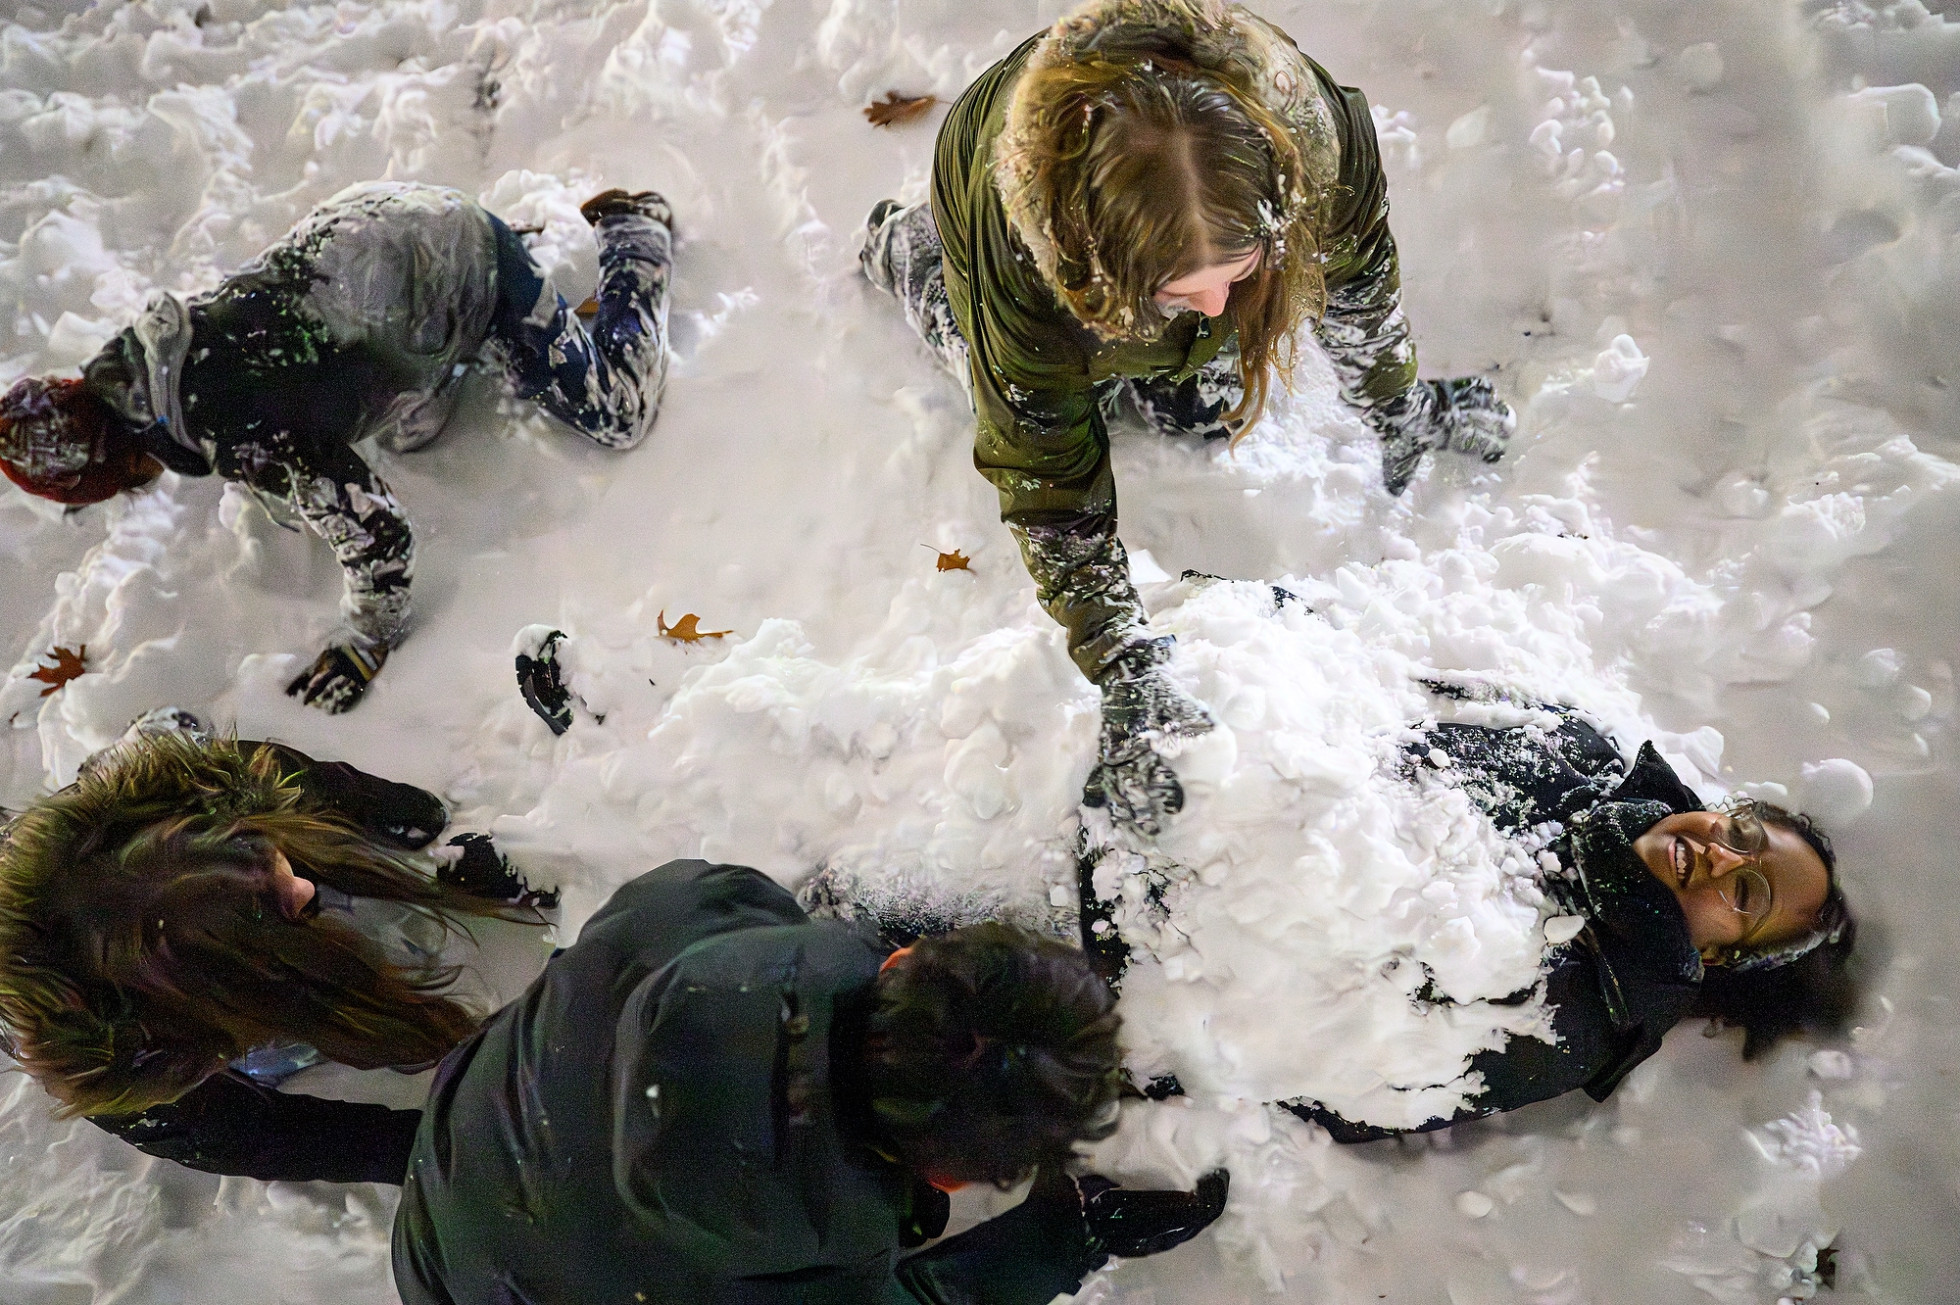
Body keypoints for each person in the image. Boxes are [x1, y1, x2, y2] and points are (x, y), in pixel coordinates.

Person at [861, 0, 1515, 835]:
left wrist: (1399, 402)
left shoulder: (1317, 144)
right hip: (1013, 246)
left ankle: (1177, 310)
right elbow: (1045, 467)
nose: (1215, 304)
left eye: (1237, 267)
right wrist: (1122, 659)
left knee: (1200, 412)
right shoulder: (1020, 251)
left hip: (1149, 250)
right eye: (1182, 286)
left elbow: (1358, 287)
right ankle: (905, 249)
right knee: (988, 358)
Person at [393, 860, 1228, 1304]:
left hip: (472, 1144)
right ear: (942, 1177)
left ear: (904, 959)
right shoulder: (806, 1289)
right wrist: (1068, 1235)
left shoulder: (695, 907)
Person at [0, 181, 674, 713]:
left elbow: (380, 536)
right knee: (414, 433)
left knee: (618, 411)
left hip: (458, 257)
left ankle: (633, 232)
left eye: (109, 487)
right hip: (373, 236)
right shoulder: (153, 365)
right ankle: (451, 339)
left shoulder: (242, 423)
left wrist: (368, 638)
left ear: (116, 462)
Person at [1081, 688, 1859, 1141]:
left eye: (1746, 893)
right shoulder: (1589, 753)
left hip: (1108, 933)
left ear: (1722, 954)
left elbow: (1331, 1079)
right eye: (1745, 832)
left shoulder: (1569, 1020)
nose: (1724, 855)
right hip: (1134, 752)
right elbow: (1376, 690)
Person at [0, 713, 551, 1183]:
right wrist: (440, 1152)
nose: (308, 888)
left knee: (259, 869)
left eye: (264, 852)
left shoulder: (192, 798)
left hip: (121, 855)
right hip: (154, 1000)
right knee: (264, 1015)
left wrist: (400, 817)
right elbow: (273, 1139)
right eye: (274, 913)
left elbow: (301, 783)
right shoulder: (143, 1066)